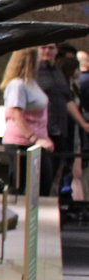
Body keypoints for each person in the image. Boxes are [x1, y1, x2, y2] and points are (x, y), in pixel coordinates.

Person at [34, 42, 88, 197]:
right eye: (43, 47)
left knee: (56, 175)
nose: (47, 51)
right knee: (40, 178)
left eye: (51, 48)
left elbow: (67, 100)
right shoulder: (33, 72)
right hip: (42, 132)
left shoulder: (57, 72)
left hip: (60, 129)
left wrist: (83, 123)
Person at [1, 48, 52, 194]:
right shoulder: (17, 85)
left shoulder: (32, 83)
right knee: (21, 188)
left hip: (36, 143)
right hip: (21, 143)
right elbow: (16, 114)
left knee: (43, 185)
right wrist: (34, 137)